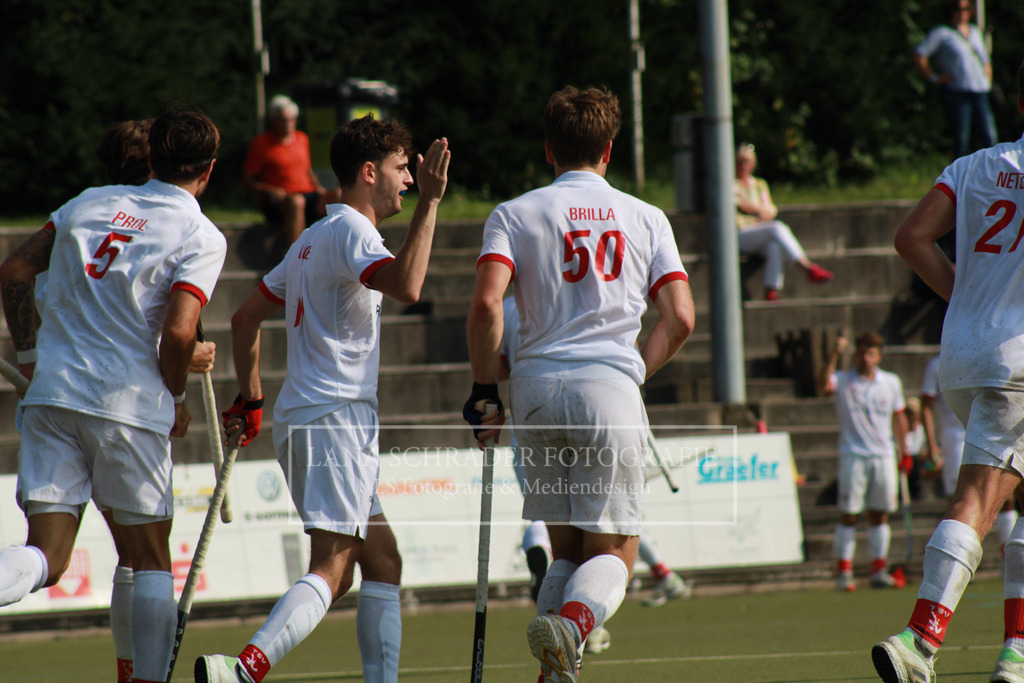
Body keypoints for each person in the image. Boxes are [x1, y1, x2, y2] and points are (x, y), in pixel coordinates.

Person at [194, 116, 450, 683]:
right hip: (335, 420)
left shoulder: (311, 237)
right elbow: (407, 286)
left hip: (313, 418)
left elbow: (244, 318)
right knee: (332, 569)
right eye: (402, 168)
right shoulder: (355, 231)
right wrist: (432, 203)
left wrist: (251, 400)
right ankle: (242, 670)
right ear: (369, 172)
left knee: (382, 561)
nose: (410, 180)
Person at [464, 85, 695, 682]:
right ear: (609, 150)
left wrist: (484, 392)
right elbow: (680, 317)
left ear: (549, 149)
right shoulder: (647, 216)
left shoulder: (512, 213)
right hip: (606, 389)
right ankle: (571, 627)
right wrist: (634, 371)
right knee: (615, 552)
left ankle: (552, 670)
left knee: (565, 553)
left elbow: (487, 305)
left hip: (535, 392)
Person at [0, 107, 225, 683]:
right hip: (127, 409)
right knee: (149, 560)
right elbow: (180, 332)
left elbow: (15, 269)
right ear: (208, 169)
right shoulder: (200, 232)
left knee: (47, 556)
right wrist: (175, 394)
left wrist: (30, 358)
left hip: (52, 397)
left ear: (155, 157)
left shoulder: (85, 204)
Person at [872, 59, 1024, 683]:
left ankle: (1016, 652)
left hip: (961, 354)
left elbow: (912, 237)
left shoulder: (973, 166)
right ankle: (919, 640)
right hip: (1018, 363)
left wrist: (964, 296)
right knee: (979, 500)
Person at [84, 117, 220, 683]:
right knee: (145, 554)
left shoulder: (92, 218)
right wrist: (181, 372)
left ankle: (130, 670)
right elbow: (150, 329)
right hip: (125, 405)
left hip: (76, 397)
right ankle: (140, 673)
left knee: (128, 553)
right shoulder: (161, 227)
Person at [819, 332, 910, 593]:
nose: (865, 357)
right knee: (849, 514)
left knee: (880, 514)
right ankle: (844, 573)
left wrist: (904, 452)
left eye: (870, 353)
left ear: (878, 356)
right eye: (861, 352)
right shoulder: (843, 379)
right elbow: (823, 385)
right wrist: (833, 354)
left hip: (883, 455)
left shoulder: (890, 382)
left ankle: (878, 570)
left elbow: (899, 417)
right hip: (853, 455)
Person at [734, 143, 833, 301]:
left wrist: (757, 210)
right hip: (739, 235)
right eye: (740, 163)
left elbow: (770, 210)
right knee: (777, 228)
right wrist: (758, 210)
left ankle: (770, 292)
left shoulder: (759, 184)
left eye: (747, 163)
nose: (744, 167)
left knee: (774, 246)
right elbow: (742, 206)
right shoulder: (731, 185)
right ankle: (807, 268)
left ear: (753, 164)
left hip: (759, 232)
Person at [242, 94, 341, 246]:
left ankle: (338, 247)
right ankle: (296, 255)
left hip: (307, 194)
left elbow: (307, 169)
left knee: (339, 194)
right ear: (273, 120)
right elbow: (247, 182)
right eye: (283, 120)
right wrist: (270, 190)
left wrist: (317, 187)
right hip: (281, 200)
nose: (288, 124)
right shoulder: (260, 144)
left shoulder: (302, 138)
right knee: (296, 202)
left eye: (292, 119)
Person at [913, 0, 998, 161]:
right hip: (958, 92)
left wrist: (988, 80)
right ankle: (959, 174)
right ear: (950, 11)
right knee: (961, 139)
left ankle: (993, 172)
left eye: (966, 9)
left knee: (989, 136)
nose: (962, 12)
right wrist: (934, 77)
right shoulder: (942, 33)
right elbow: (920, 54)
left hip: (980, 91)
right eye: (958, 9)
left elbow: (985, 60)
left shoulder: (975, 31)